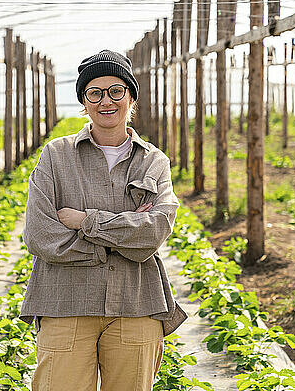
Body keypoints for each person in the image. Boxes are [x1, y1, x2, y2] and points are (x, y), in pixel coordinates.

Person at [19, 49, 188, 391]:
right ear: (84, 100)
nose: (105, 101)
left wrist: (85, 221)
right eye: (94, 92)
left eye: (116, 91)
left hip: (136, 304)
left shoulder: (153, 161)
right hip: (65, 303)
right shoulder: (56, 155)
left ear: (130, 97)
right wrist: (117, 240)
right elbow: (39, 234)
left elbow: (153, 232)